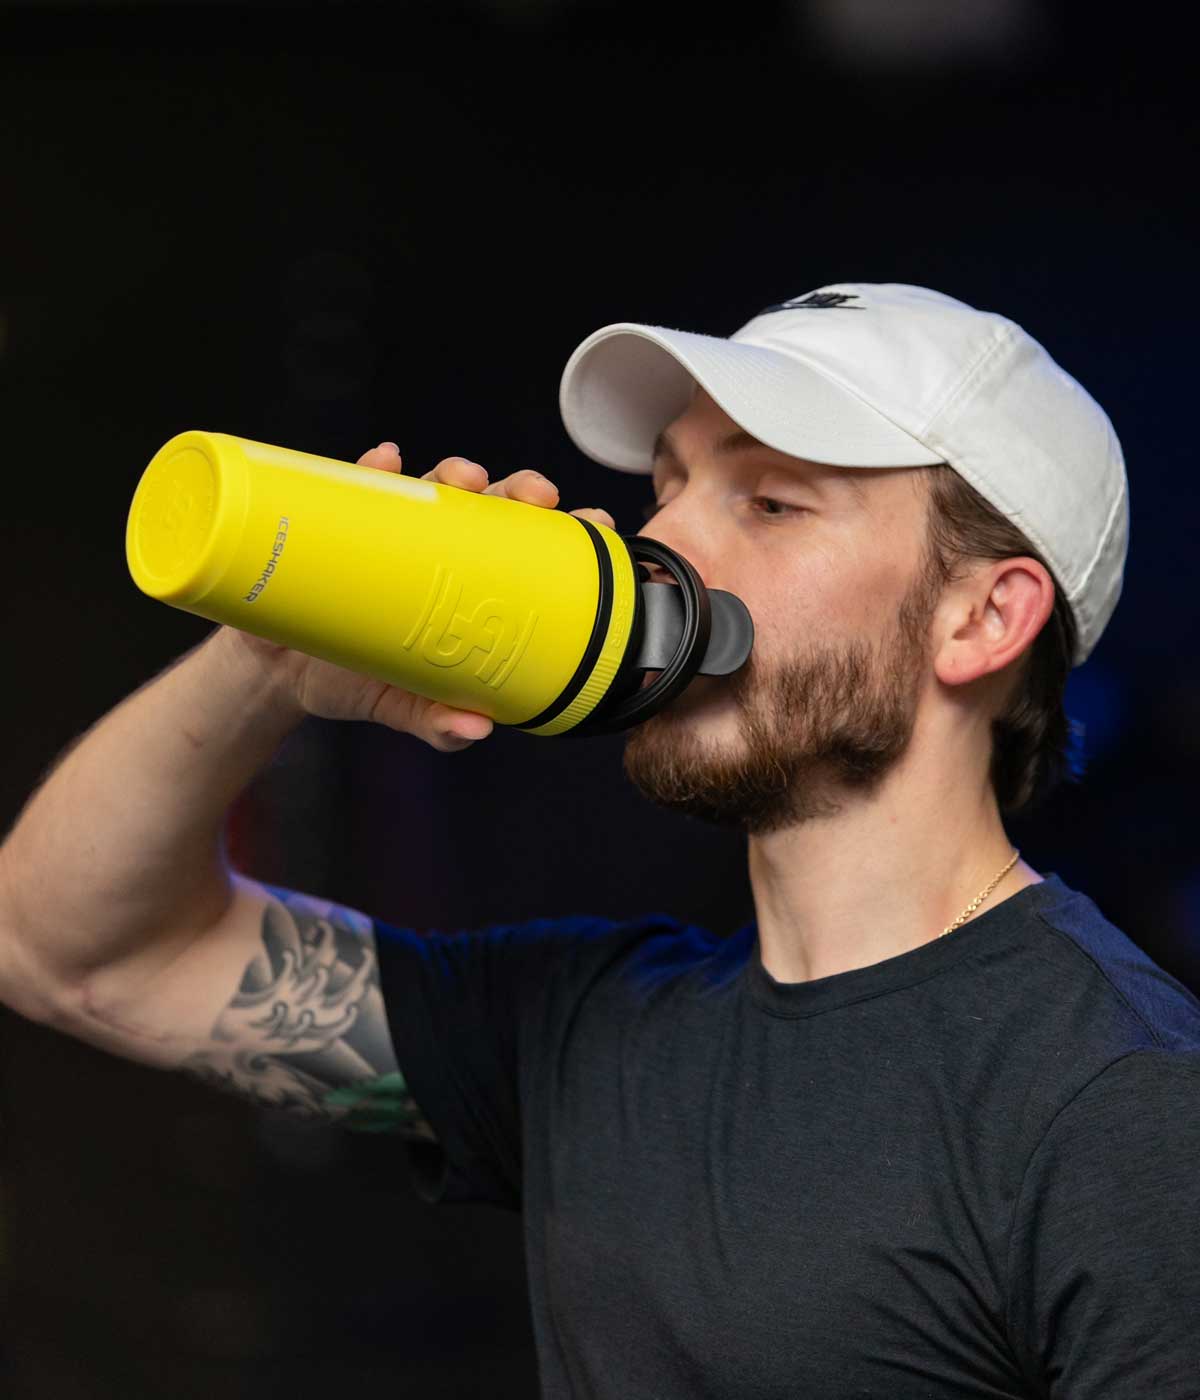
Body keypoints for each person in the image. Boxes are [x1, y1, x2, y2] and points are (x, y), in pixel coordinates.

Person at [1, 282, 1196, 1397]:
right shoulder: (589, 1025)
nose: (666, 544)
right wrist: (269, 653)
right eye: (667, 489)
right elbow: (66, 946)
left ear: (984, 615)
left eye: (770, 502)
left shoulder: (1121, 1107)